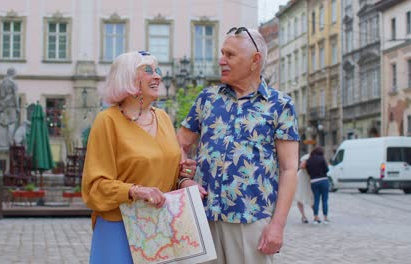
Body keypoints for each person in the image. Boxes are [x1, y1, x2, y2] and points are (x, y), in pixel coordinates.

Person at [177, 27, 299, 264]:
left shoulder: (280, 105)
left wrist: (277, 225)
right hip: (204, 217)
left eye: (230, 55)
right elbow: (178, 144)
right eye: (222, 53)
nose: (221, 60)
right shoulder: (207, 99)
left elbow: (289, 168)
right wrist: (184, 179)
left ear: (255, 60)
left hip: (250, 220)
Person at [81, 51, 196, 264]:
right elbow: (94, 187)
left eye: (158, 70)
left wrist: (184, 176)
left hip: (159, 227)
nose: (158, 76)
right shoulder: (107, 121)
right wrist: (136, 191)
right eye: (149, 71)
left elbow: (167, 171)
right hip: (119, 226)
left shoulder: (162, 117)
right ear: (128, 77)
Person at [0, 68, 19, 147]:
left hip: (2, 106)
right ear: (13, 73)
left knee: (3, 125)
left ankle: (2, 143)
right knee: (11, 123)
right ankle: (10, 142)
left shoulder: (2, 83)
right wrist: (17, 107)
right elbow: (15, 95)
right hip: (11, 106)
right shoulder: (13, 82)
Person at [306, 146, 330, 224]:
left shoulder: (309, 160)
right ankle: (325, 218)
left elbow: (308, 172)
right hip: (323, 180)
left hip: (314, 181)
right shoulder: (322, 159)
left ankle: (316, 218)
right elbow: (327, 170)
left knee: (316, 200)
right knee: (325, 200)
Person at [296, 154, 314, 224]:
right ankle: (304, 216)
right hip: (302, 179)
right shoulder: (307, 157)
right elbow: (302, 166)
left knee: (310, 198)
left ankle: (314, 215)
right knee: (300, 197)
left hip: (307, 179)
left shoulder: (312, 156)